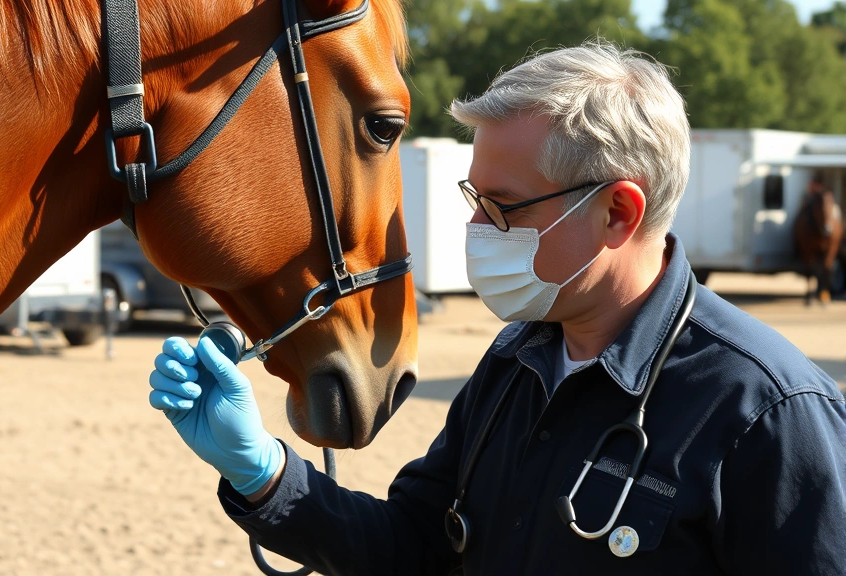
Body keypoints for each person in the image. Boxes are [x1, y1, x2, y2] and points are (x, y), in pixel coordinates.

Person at [147, 41, 846, 574]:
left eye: (503, 208)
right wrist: (262, 472)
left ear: (616, 213)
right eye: (473, 200)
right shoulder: (517, 360)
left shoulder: (769, 413)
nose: (477, 231)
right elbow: (414, 549)